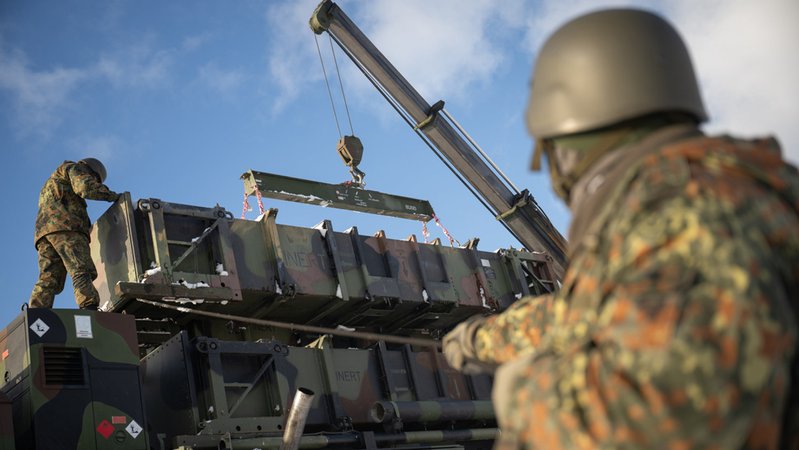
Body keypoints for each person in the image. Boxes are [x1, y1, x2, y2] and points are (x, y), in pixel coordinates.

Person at [443, 8, 798, 449]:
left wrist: (525, 392)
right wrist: (481, 339)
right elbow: (593, 314)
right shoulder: (729, 190)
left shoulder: (676, 211)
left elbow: (671, 412)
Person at [29, 158, 120, 310]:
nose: (94, 181)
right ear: (91, 171)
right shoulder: (74, 168)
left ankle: (36, 313)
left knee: (49, 277)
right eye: (95, 179)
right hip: (67, 228)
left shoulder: (52, 181)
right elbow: (85, 187)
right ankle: (88, 306)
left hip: (44, 234)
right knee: (80, 268)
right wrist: (113, 196)